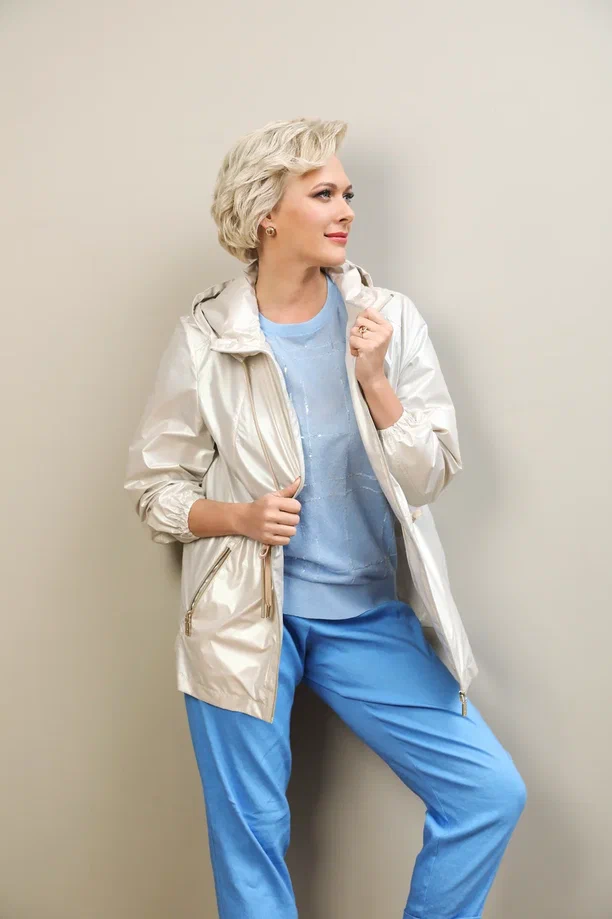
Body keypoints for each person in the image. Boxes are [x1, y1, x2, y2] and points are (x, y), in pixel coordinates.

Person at [124, 117, 526, 919]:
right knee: (251, 841)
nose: (346, 209)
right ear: (267, 213)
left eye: (348, 193)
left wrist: (377, 381)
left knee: (488, 790)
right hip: (244, 618)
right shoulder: (208, 337)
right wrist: (238, 515)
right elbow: (153, 485)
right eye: (323, 194)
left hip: (365, 617)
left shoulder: (389, 320)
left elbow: (430, 472)